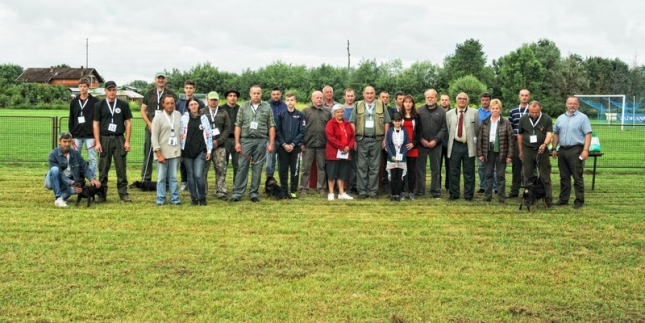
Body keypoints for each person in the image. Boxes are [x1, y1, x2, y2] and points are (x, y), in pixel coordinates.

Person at [230, 85, 276, 203]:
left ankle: (254, 193)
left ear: (261, 94)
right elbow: (238, 125)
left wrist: (271, 143)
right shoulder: (244, 106)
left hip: (261, 141)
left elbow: (271, 126)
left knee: (257, 168)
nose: (256, 95)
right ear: (250, 94)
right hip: (245, 140)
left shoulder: (267, 107)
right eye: (254, 93)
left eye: (258, 93)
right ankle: (237, 193)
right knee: (242, 167)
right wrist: (237, 142)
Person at [93, 81, 132, 202]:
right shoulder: (99, 105)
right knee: (103, 168)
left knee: (121, 167)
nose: (112, 92)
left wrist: (127, 141)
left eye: (114, 90)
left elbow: (128, 123)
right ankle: (102, 194)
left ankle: (123, 193)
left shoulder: (123, 105)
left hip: (119, 138)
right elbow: (95, 124)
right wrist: (98, 142)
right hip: (104, 139)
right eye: (109, 90)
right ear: (105, 91)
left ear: (117, 91)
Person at [350, 85, 391, 199]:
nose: (369, 95)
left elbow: (387, 122)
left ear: (375, 94)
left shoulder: (381, 104)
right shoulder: (358, 105)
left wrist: (385, 139)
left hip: (377, 140)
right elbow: (352, 122)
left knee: (374, 166)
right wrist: (353, 139)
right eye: (367, 93)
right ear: (363, 94)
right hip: (361, 139)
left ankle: (373, 191)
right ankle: (362, 191)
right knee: (361, 166)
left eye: (371, 93)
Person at [551, 96, 593, 209]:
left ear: (578, 105)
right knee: (564, 177)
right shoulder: (560, 118)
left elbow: (588, 134)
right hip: (562, 150)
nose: (572, 105)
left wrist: (585, 150)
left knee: (577, 176)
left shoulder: (583, 118)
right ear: (566, 104)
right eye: (570, 103)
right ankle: (563, 199)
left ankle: (579, 200)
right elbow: (556, 134)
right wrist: (554, 148)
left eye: (574, 103)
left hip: (576, 150)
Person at [45, 131, 101, 207]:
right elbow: (60, 174)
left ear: (72, 141)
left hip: (70, 181)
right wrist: (71, 183)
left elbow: (84, 167)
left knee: (75, 190)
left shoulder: (76, 154)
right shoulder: (53, 154)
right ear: (59, 142)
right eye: (64, 142)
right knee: (55, 169)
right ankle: (58, 197)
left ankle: (62, 197)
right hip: (55, 179)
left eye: (69, 141)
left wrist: (92, 178)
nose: (67, 144)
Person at [140, 72, 176, 184]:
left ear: (166, 80)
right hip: (151, 127)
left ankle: (165, 179)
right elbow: (142, 110)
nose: (161, 80)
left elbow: (174, 111)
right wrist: (149, 124)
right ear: (155, 80)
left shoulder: (171, 93)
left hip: (165, 128)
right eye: (159, 78)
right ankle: (146, 178)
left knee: (165, 152)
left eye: (163, 78)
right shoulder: (149, 93)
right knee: (148, 152)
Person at [477, 99, 514, 204]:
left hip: (502, 151)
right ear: (490, 109)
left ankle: (501, 197)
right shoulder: (485, 122)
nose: (495, 110)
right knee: (488, 174)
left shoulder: (506, 123)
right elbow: (480, 139)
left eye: (497, 108)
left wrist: (509, 156)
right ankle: (488, 196)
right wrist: (480, 153)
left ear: (500, 109)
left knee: (500, 175)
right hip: (488, 151)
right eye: (493, 108)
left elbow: (511, 140)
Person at [518, 100, 553, 208]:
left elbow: (549, 134)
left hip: (541, 150)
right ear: (529, 110)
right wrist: (521, 151)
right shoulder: (523, 119)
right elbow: (520, 135)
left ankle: (547, 200)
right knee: (527, 176)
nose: (534, 114)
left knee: (544, 175)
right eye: (532, 112)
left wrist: (545, 144)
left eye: (536, 112)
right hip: (527, 150)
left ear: (540, 109)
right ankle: (528, 200)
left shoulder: (547, 119)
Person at [446, 92, 479, 201]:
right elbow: (447, 129)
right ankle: (454, 194)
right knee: (453, 171)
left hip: (468, 146)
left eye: (464, 99)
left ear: (467, 101)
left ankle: (469, 195)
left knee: (469, 172)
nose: (462, 100)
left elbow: (478, 130)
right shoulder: (449, 114)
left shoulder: (474, 113)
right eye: (459, 98)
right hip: (455, 145)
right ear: (456, 101)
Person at [180, 97, 212, 206]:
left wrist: (209, 150)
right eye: (191, 104)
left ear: (198, 105)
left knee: (198, 175)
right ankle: (194, 198)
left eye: (195, 104)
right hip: (187, 151)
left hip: (200, 150)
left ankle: (202, 198)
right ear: (188, 107)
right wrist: (180, 150)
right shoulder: (183, 119)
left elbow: (209, 135)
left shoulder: (204, 118)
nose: (194, 106)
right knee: (190, 174)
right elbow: (180, 134)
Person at [151, 95, 182, 206]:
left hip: (175, 152)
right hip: (162, 153)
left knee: (173, 177)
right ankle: (160, 199)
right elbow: (154, 137)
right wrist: (158, 153)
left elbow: (181, 132)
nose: (170, 105)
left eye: (172, 103)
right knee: (161, 178)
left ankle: (175, 199)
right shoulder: (158, 117)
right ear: (163, 104)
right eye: (167, 103)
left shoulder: (178, 115)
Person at [416, 89, 447, 199]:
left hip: (436, 145)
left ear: (436, 98)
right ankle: (420, 190)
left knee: (436, 169)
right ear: (425, 98)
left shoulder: (442, 112)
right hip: (422, 144)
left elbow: (444, 128)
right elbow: (416, 128)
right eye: (427, 97)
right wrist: (421, 139)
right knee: (420, 168)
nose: (429, 99)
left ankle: (436, 191)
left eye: (432, 97)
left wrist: (436, 140)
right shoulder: (419, 111)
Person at [300, 91, 332, 195]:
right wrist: (301, 143)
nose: (319, 99)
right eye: (317, 97)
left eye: (320, 98)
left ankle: (321, 187)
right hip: (308, 144)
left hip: (322, 145)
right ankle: (304, 188)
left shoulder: (327, 112)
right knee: (306, 168)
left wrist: (329, 144)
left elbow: (330, 129)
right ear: (312, 99)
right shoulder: (305, 111)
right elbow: (301, 128)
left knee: (321, 167)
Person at [175, 80, 205, 191]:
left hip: (195, 133)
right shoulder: (179, 102)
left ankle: (196, 183)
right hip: (183, 135)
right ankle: (184, 181)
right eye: (187, 88)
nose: (189, 90)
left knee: (196, 161)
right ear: (184, 89)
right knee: (183, 159)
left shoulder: (200, 103)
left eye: (191, 88)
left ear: (194, 89)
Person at [201, 91, 231, 201]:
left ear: (218, 100)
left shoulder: (223, 112)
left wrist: (218, 141)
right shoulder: (202, 112)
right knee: (203, 170)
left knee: (221, 169)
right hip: (205, 148)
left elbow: (227, 128)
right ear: (207, 100)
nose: (213, 102)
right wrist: (207, 142)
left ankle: (221, 191)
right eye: (211, 99)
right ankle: (202, 191)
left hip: (220, 146)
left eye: (215, 100)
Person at [275, 92, 306, 198]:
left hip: (295, 147)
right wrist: (284, 144)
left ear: (295, 101)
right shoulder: (280, 115)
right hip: (282, 147)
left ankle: (293, 191)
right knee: (283, 170)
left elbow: (302, 131)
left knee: (295, 170)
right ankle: (284, 191)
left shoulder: (300, 115)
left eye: (292, 100)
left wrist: (293, 144)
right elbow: (277, 131)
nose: (290, 102)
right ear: (285, 102)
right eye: (288, 100)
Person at [68, 77, 99, 176]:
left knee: (92, 158)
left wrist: (96, 136)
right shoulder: (74, 101)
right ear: (78, 87)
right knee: (75, 157)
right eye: (80, 86)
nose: (82, 88)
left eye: (84, 86)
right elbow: (71, 118)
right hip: (76, 134)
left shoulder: (95, 101)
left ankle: (92, 177)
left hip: (90, 134)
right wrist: (71, 135)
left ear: (88, 87)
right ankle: (76, 177)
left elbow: (98, 119)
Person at [325, 104, 355, 201]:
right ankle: (331, 193)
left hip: (345, 153)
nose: (340, 113)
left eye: (342, 111)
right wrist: (342, 147)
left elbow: (352, 137)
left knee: (342, 173)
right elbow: (331, 138)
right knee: (332, 173)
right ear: (334, 113)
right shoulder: (330, 123)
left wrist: (349, 147)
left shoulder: (347, 123)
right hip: (334, 153)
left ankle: (341, 193)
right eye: (338, 112)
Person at [508, 89, 531, 198]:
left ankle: (529, 189)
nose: (524, 97)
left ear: (529, 97)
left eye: (526, 95)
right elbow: (510, 128)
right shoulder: (513, 111)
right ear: (519, 96)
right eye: (522, 95)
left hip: (529, 142)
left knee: (529, 167)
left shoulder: (533, 110)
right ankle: (514, 190)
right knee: (516, 166)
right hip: (517, 141)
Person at [400, 95, 421, 200]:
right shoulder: (399, 115)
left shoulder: (417, 116)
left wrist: (413, 143)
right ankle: (402, 192)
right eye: (406, 102)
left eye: (410, 102)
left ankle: (411, 192)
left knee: (412, 171)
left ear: (412, 103)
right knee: (402, 170)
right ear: (403, 103)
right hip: (401, 148)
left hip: (413, 148)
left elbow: (420, 133)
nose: (408, 104)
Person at [385, 113, 409, 202]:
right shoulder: (390, 131)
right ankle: (393, 194)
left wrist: (401, 155)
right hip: (392, 157)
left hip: (401, 158)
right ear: (393, 122)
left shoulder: (404, 131)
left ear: (401, 121)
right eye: (395, 121)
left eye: (399, 121)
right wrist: (392, 156)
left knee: (400, 177)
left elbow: (406, 144)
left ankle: (398, 194)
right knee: (393, 176)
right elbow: (388, 144)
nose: (397, 123)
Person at [477, 92, 496, 194]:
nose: (484, 102)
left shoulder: (495, 110)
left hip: (493, 142)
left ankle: (495, 187)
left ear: (490, 100)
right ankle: (483, 186)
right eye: (483, 100)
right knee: (481, 165)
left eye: (487, 100)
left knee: (494, 166)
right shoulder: (477, 112)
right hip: (481, 142)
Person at [266, 87, 287, 178]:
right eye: (274, 94)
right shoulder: (266, 106)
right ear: (271, 95)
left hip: (283, 138)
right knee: (270, 162)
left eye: (277, 94)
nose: (276, 96)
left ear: (280, 95)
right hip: (270, 138)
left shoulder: (285, 105)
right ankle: (269, 182)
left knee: (282, 162)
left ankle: (283, 183)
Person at [221, 89, 241, 182]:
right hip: (225, 140)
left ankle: (236, 186)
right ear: (227, 97)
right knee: (223, 164)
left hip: (237, 140)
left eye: (234, 96)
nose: (232, 97)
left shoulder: (241, 109)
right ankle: (222, 186)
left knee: (237, 164)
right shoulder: (221, 109)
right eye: (230, 95)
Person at [342, 88, 358, 193]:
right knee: (342, 164)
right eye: (348, 96)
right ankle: (340, 185)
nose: (350, 98)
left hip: (354, 140)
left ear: (354, 97)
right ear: (344, 97)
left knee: (354, 164)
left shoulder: (358, 108)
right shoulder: (340, 108)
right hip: (342, 141)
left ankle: (353, 185)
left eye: (352, 96)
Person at [439, 94, 452, 191]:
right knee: (437, 166)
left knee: (449, 166)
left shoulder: (453, 112)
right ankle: (437, 185)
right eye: (442, 100)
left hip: (449, 143)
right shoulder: (436, 112)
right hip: (438, 143)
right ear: (440, 101)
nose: (444, 101)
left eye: (446, 100)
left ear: (449, 101)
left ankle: (448, 185)